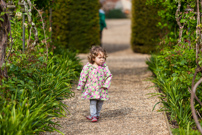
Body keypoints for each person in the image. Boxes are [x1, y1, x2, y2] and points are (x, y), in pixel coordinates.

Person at [77, 46, 112, 122]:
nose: (102, 59)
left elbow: (109, 76)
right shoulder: (88, 67)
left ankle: (97, 114)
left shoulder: (104, 67)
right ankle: (93, 116)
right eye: (99, 57)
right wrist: (80, 85)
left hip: (101, 89)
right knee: (93, 102)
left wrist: (106, 84)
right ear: (93, 58)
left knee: (100, 103)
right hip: (92, 89)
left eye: (103, 57)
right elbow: (83, 76)